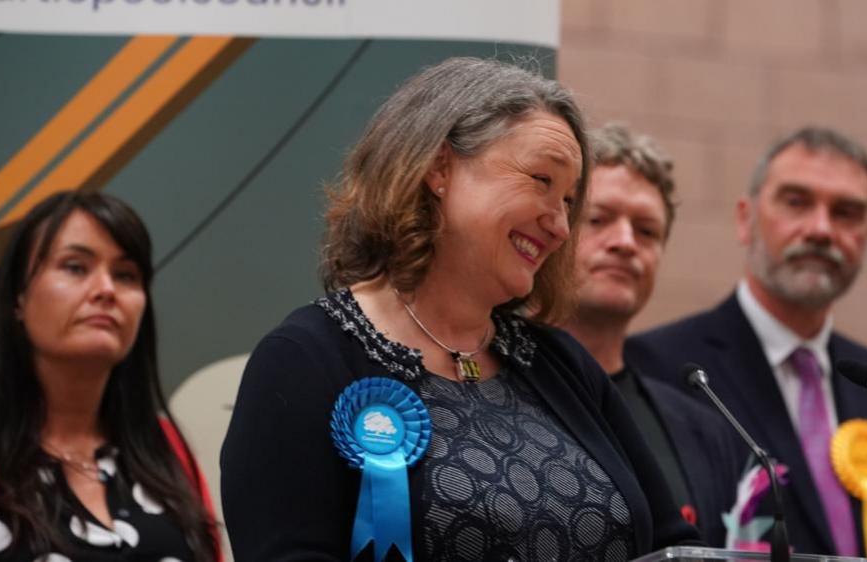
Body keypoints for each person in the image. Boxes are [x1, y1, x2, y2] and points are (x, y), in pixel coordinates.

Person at [221, 57, 700, 561]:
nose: (560, 225)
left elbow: (672, 546)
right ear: (438, 168)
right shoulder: (306, 359)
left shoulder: (561, 363)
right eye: (541, 180)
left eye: (569, 201)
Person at [627, 126, 867, 557]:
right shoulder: (660, 370)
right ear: (745, 219)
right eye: (797, 202)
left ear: (866, 237)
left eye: (846, 212)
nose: (821, 229)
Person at [0, 192, 221, 561]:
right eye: (76, 267)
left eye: (126, 275)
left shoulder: (166, 450)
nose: (106, 290)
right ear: (18, 297)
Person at [558, 123, 743, 547]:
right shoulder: (492, 381)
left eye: (647, 231)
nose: (625, 242)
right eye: (599, 220)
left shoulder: (704, 428)